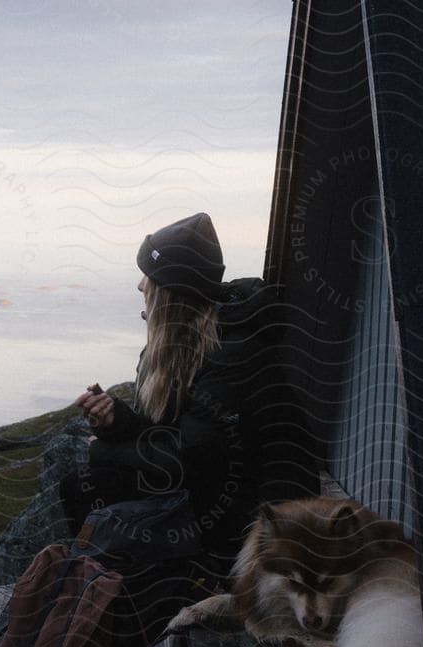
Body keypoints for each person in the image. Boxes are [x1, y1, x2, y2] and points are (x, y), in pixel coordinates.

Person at [63, 211, 320, 587]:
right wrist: (118, 422)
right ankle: (111, 587)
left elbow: (188, 460)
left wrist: (105, 449)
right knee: (82, 483)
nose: (139, 286)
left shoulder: (234, 353)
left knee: (94, 482)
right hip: (209, 489)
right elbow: (173, 436)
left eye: (148, 277)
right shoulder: (192, 338)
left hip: (253, 522)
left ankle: (143, 590)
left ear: (171, 292)